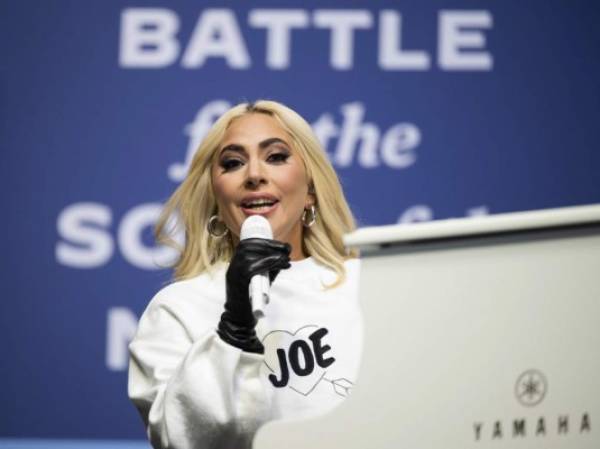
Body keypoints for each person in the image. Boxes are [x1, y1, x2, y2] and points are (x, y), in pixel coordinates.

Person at [128, 100, 362, 449]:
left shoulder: (368, 285)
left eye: (276, 156)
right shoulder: (177, 309)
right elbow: (178, 439)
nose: (254, 175)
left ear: (310, 190)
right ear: (215, 199)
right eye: (233, 163)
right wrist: (233, 328)